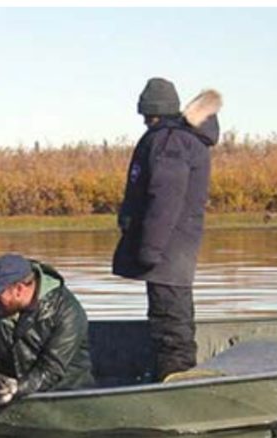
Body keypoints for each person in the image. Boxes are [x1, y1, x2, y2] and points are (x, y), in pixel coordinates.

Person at [112, 77, 222, 381]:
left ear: (150, 111)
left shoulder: (168, 141)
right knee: (171, 318)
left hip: (166, 251)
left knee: (169, 324)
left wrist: (149, 250)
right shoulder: (181, 138)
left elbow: (165, 198)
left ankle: (177, 383)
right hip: (174, 250)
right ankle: (174, 377)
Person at [0, 253, 94, 406]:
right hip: (5, 391)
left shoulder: (67, 311)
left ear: (19, 289)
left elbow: (52, 369)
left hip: (67, 393)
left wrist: (16, 388)